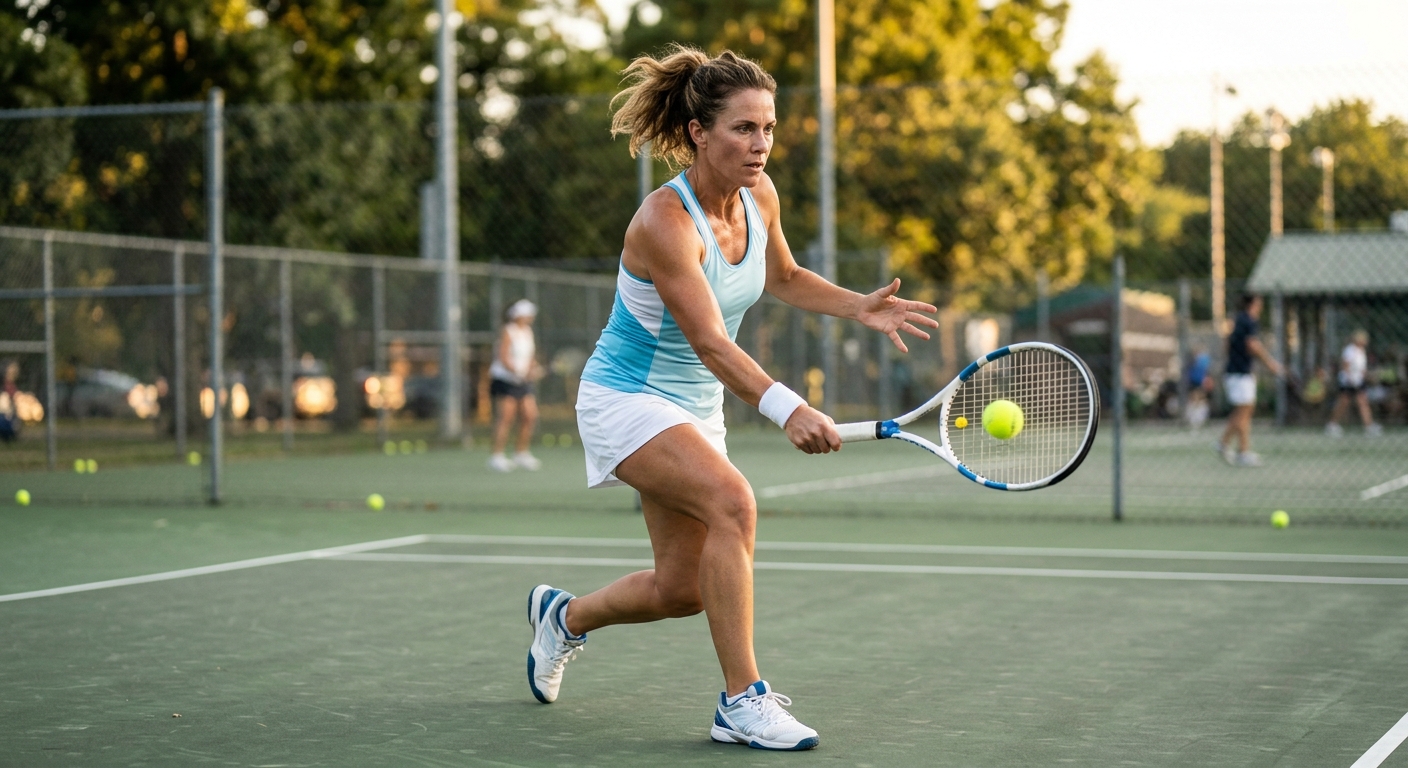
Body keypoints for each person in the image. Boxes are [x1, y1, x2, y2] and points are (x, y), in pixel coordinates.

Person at [523, 46, 938, 751]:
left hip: (694, 409)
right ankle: (741, 702)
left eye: (769, 128)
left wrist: (857, 306)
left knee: (683, 589)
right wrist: (788, 408)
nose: (761, 143)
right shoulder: (663, 222)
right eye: (744, 128)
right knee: (734, 503)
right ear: (697, 133)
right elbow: (712, 343)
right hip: (626, 398)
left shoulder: (760, 195)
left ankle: (564, 620)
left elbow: (784, 275)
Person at [1215, 294, 1285, 467]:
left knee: (1243, 410)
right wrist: (1270, 363)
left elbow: (1227, 345)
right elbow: (1252, 345)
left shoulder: (1238, 320)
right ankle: (1238, 449)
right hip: (1240, 373)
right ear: (1253, 303)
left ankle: (1230, 445)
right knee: (1244, 411)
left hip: (1237, 371)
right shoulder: (1248, 321)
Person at [487, 299, 544, 472]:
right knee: (506, 417)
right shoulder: (508, 331)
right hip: (505, 380)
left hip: (522, 381)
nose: (530, 318)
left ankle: (521, 453)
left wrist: (533, 368)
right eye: (528, 314)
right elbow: (503, 358)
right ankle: (496, 456)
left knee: (530, 415)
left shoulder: (528, 332)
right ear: (519, 315)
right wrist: (519, 372)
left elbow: (530, 356)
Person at [1325, 329, 1381, 437]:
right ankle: (1332, 424)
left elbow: (1361, 369)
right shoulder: (1350, 350)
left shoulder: (1361, 351)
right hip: (1348, 381)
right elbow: (1345, 365)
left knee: (1362, 402)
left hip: (1358, 380)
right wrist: (1350, 379)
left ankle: (1369, 426)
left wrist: (1369, 376)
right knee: (1343, 403)